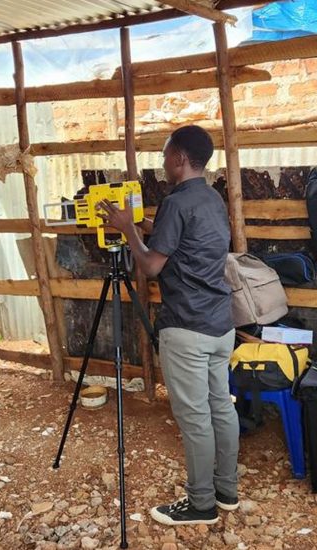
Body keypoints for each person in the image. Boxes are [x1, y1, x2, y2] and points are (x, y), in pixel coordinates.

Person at [98, 125, 238, 526]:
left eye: (165, 155)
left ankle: (201, 504)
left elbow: (151, 266)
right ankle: (226, 492)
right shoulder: (212, 198)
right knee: (220, 407)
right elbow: (182, 242)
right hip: (220, 324)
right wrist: (142, 226)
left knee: (194, 418)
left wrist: (127, 229)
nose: (162, 163)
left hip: (187, 327)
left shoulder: (176, 203)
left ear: (180, 158)